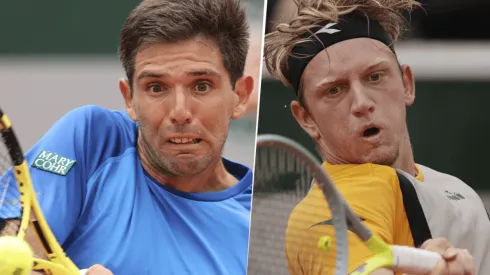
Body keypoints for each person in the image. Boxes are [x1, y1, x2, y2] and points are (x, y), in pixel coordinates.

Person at [0, 0, 256, 274]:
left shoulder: (258, 227)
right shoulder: (93, 140)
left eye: (201, 86)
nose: (180, 112)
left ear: (239, 96)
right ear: (130, 98)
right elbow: (16, 246)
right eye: (156, 87)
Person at [263, 0, 490, 274]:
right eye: (334, 90)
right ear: (306, 118)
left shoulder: (458, 191)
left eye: (374, 77)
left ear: (406, 84)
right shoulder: (325, 215)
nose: (361, 103)